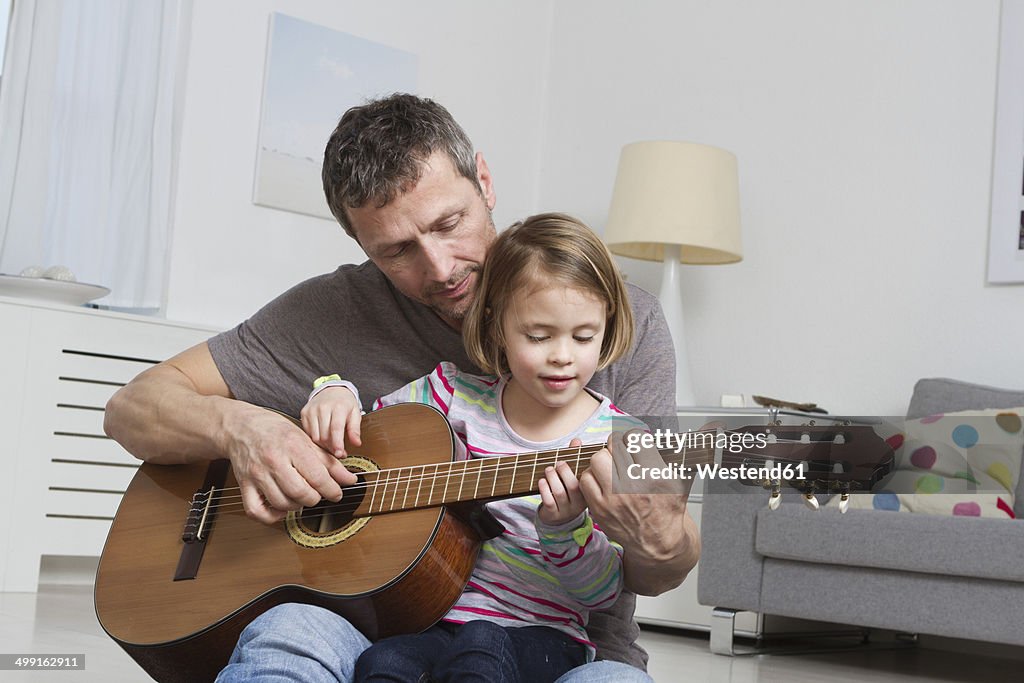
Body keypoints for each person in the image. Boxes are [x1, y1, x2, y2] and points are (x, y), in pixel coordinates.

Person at [103, 93, 700, 682]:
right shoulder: (332, 311)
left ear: (484, 182)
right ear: (361, 244)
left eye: (450, 223)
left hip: (565, 644)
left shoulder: (616, 320)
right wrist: (244, 428)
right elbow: (132, 407)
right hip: (370, 629)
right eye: (398, 250)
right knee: (285, 637)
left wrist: (658, 537)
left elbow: (658, 570)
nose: (440, 267)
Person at [304, 213, 648, 682]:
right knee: (381, 661)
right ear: (497, 324)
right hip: (434, 621)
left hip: (545, 638)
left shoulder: (621, 442)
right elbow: (361, 444)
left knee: (482, 645)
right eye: (538, 336)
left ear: (608, 324)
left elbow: (604, 594)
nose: (563, 355)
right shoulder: (449, 395)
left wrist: (566, 530)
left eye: (583, 336)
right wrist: (333, 391)